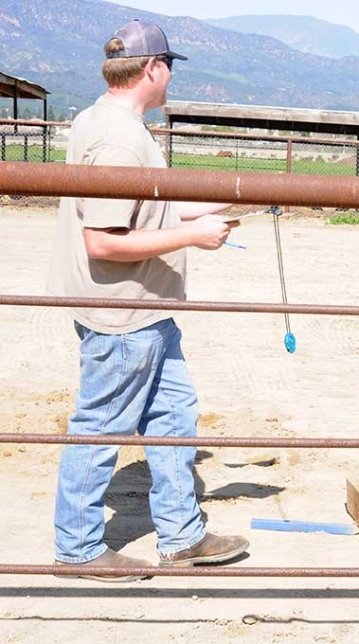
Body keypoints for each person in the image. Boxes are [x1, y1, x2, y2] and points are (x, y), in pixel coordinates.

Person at [47, 19, 248, 582]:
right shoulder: (118, 139)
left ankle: (181, 534)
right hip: (123, 314)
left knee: (174, 416)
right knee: (102, 426)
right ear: (154, 69)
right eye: (170, 69)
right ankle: (78, 547)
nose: (170, 79)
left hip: (145, 310)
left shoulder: (103, 121)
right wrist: (193, 236)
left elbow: (141, 209)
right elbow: (104, 241)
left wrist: (200, 215)